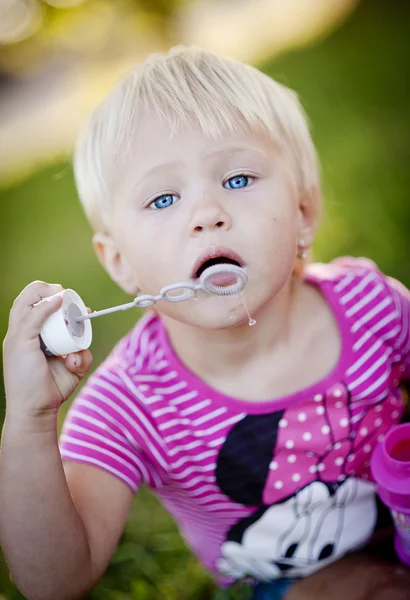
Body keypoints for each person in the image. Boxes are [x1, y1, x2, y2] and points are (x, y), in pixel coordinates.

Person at [1, 46, 409, 600]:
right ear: (118, 261)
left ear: (304, 215)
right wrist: (30, 418)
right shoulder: (129, 403)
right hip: (282, 581)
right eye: (164, 197)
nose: (206, 214)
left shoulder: (372, 307)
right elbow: (56, 582)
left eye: (238, 179)